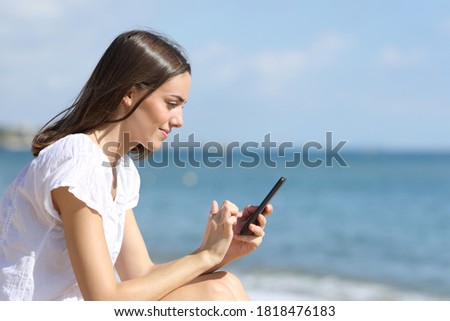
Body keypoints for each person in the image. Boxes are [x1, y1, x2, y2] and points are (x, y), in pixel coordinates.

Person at [0, 30, 272, 301]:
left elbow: (141, 275)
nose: (179, 121)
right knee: (215, 294)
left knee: (225, 283)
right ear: (129, 93)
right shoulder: (78, 159)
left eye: (182, 106)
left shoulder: (119, 169)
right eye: (171, 104)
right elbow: (104, 299)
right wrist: (205, 256)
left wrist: (221, 252)